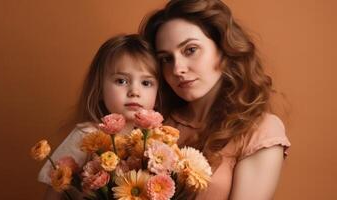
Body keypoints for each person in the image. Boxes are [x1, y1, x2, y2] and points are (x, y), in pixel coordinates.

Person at [139, 0, 291, 199]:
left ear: (223, 48)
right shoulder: (155, 123)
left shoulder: (259, 132)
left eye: (190, 50)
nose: (177, 69)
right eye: (166, 59)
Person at [38, 34, 161, 199]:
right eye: (121, 81)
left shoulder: (154, 142)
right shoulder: (87, 135)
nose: (134, 92)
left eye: (146, 83)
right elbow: (54, 189)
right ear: (100, 88)